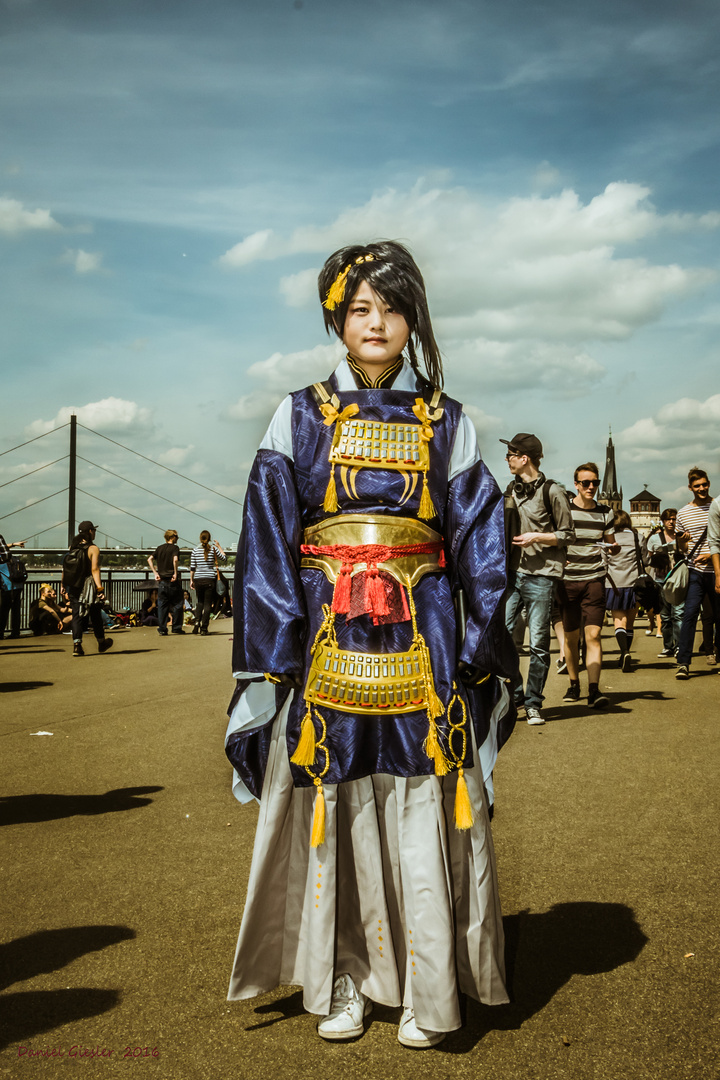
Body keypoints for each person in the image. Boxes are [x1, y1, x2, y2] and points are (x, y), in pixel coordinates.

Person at [225, 241, 517, 1049]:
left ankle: (428, 986)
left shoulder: (449, 421)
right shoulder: (296, 413)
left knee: (427, 801)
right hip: (325, 643)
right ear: (335, 319)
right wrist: (277, 651)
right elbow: (266, 537)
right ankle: (343, 982)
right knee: (336, 807)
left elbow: (483, 544)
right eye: (360, 307)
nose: (376, 322)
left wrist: (475, 648)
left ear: (413, 319)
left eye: (392, 307)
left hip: (419, 646)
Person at [501, 432, 575, 725]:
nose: (507, 459)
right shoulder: (511, 489)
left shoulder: (553, 491)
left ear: (524, 458)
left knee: (540, 644)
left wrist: (538, 536)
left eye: (511, 454)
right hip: (513, 573)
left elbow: (569, 534)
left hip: (542, 576)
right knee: (503, 636)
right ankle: (517, 694)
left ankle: (533, 703)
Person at [556, 463, 618, 708]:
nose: (591, 487)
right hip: (567, 580)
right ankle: (574, 683)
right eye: (586, 483)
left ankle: (594, 690)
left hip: (595, 578)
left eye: (595, 482)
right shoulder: (565, 511)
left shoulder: (605, 512)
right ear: (576, 485)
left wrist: (613, 548)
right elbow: (555, 540)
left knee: (593, 635)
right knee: (572, 639)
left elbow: (611, 543)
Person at [674, 469, 720, 679]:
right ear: (690, 488)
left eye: (704, 484)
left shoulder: (717, 505)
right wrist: (682, 542)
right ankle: (683, 662)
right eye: (697, 486)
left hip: (717, 570)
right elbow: (681, 549)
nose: (701, 489)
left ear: (709, 484)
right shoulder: (683, 513)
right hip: (695, 572)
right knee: (689, 614)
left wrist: (711, 557)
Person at [62, 521, 113, 658]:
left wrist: (63, 586)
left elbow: (66, 568)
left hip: (73, 586)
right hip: (88, 587)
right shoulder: (93, 548)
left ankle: (77, 646)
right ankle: (101, 642)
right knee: (95, 613)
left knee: (76, 615)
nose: (95, 533)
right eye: (94, 531)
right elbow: (95, 570)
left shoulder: (72, 547)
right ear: (90, 532)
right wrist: (100, 589)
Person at [604, 510, 641, 672]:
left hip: (614, 584)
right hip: (634, 584)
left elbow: (603, 562)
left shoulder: (607, 539)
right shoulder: (637, 537)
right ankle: (623, 654)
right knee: (630, 624)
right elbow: (645, 559)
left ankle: (624, 652)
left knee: (619, 622)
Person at [645, 509, 683, 658]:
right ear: (663, 521)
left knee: (678, 615)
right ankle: (668, 646)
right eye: (668, 519)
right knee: (665, 616)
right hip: (661, 580)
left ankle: (679, 646)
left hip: (678, 581)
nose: (671, 522)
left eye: (674, 519)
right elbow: (649, 558)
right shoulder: (655, 539)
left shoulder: (681, 537)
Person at [148, 528, 185, 636]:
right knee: (178, 604)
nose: (178, 538)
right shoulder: (175, 548)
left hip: (162, 582)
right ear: (172, 537)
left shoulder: (159, 548)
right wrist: (175, 573)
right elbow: (175, 560)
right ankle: (176, 627)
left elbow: (149, 559)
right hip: (172, 581)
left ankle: (163, 628)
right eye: (177, 536)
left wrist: (155, 573)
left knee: (162, 606)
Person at [190, 531, 226, 635]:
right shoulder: (213, 549)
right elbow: (224, 558)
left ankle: (196, 623)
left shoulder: (195, 551)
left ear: (200, 538)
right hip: (209, 579)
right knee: (207, 604)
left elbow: (192, 568)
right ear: (209, 538)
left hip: (198, 579)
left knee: (200, 602)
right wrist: (219, 546)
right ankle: (204, 628)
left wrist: (191, 580)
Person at [0, 534, 26, 640]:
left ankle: (0, 633)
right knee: (16, 610)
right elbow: (4, 547)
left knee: (3, 611)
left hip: (8, 587)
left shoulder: (1, 559)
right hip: (18, 585)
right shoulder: (8, 557)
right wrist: (14, 544)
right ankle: (15, 632)